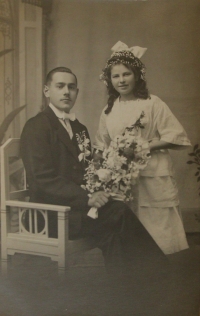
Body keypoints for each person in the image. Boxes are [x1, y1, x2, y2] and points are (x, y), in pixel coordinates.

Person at [20, 66, 168, 279]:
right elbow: (41, 180)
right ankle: (159, 276)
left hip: (78, 209)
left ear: (77, 93)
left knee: (113, 233)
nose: (66, 92)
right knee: (119, 213)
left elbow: (89, 170)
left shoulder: (79, 129)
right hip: (49, 214)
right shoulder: (36, 127)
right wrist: (88, 197)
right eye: (59, 86)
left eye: (71, 87)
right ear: (46, 91)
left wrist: (101, 187)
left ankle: (126, 293)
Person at [94, 41, 191, 255]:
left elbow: (175, 136)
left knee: (157, 228)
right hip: (123, 180)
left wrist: (141, 145)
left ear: (137, 75)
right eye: (116, 76)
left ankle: (163, 274)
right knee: (129, 229)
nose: (121, 80)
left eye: (126, 74)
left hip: (153, 174)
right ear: (109, 80)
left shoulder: (152, 103)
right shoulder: (108, 111)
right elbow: (102, 145)